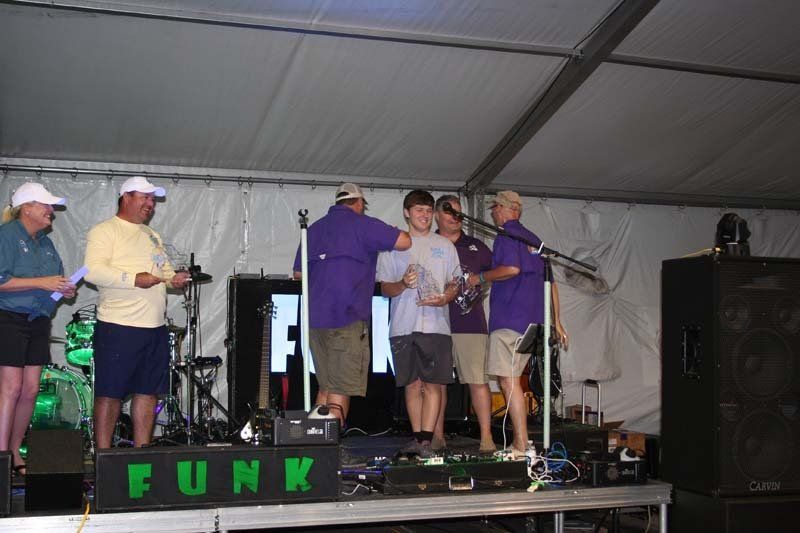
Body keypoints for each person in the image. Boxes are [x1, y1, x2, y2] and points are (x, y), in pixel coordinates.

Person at [84, 176, 190, 448]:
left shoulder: (151, 235)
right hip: (118, 326)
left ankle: (141, 454)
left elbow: (163, 272)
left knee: (149, 392)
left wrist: (174, 279)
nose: (151, 204)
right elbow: (92, 271)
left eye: (153, 199)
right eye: (145, 198)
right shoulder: (105, 230)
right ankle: (103, 456)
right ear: (126, 197)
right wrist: (132, 279)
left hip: (154, 328)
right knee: (110, 394)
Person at [293, 183, 411, 425]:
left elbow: (298, 274)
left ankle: (318, 443)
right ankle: (333, 447)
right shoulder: (363, 224)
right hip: (347, 317)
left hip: (315, 320)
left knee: (325, 387)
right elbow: (405, 241)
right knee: (340, 388)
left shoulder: (314, 229)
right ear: (360, 203)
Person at [467, 190, 567, 454]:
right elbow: (551, 284)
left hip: (509, 320)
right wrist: (557, 321)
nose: (492, 213)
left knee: (509, 382)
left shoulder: (506, 235)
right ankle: (523, 442)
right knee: (514, 383)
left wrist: (480, 277)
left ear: (504, 208)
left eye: (494, 208)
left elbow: (511, 269)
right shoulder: (534, 239)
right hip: (533, 323)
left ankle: (521, 444)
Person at [0, 182, 76, 475]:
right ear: (26, 207)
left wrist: (62, 291)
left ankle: (16, 451)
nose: (51, 211)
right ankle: (2, 455)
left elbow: (52, 284)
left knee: (30, 390)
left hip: (39, 320)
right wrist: (42, 283)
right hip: (7, 317)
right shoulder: (6, 236)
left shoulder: (46, 242)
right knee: (11, 387)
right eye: (45, 205)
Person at [377, 190, 460, 457]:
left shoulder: (445, 246)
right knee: (412, 384)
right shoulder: (393, 246)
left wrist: (446, 296)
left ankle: (426, 441)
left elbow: (455, 283)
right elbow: (384, 288)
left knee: (433, 384)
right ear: (406, 213)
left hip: (436, 326)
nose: (424, 215)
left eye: (427, 210)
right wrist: (402, 283)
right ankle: (418, 438)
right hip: (402, 325)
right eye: (418, 210)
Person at [433, 194, 496, 453]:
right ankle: (436, 437)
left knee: (478, 381)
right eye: (449, 211)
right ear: (437, 214)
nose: (454, 216)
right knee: (435, 383)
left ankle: (486, 437)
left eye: (458, 211)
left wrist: (479, 284)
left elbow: (495, 275)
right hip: (435, 324)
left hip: (471, 324)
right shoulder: (429, 244)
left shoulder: (477, 247)